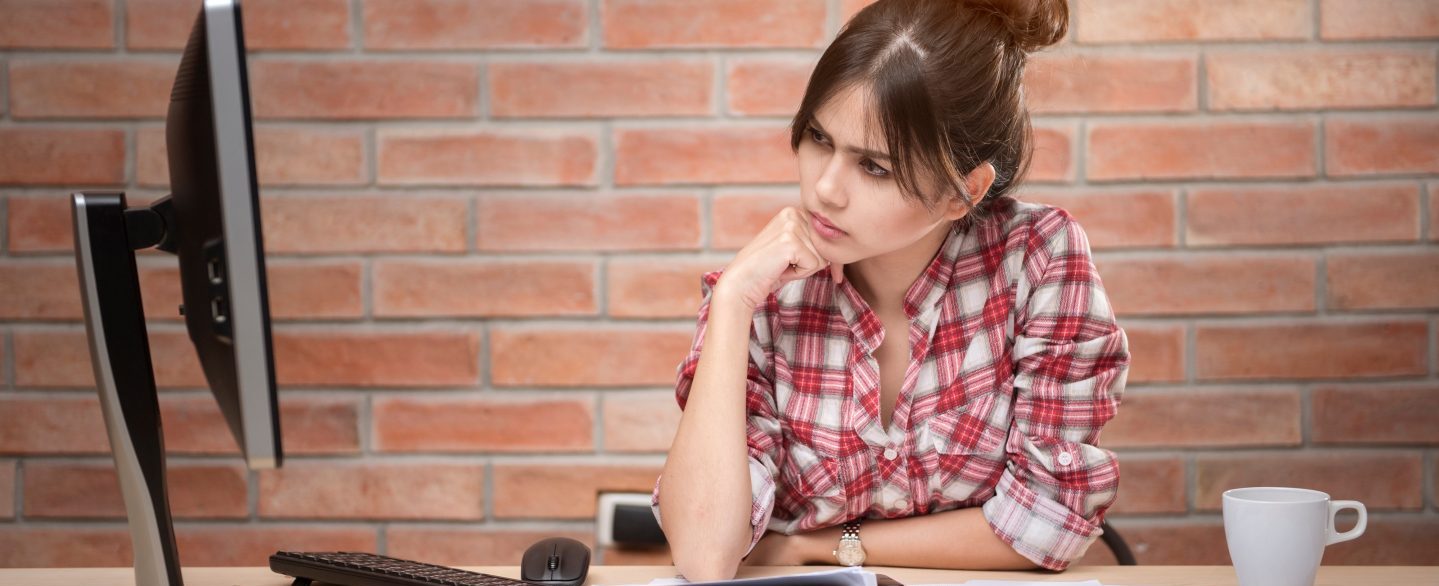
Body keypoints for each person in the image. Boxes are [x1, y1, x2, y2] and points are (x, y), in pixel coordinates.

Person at [652, 0, 1130, 580]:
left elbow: (1049, 524)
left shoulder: (1037, 258)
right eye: (818, 138)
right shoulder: (765, 291)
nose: (825, 190)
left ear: (962, 191)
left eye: (874, 167)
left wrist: (822, 546)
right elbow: (704, 556)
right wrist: (731, 304)